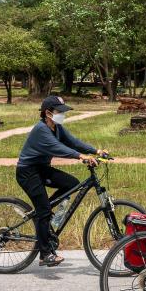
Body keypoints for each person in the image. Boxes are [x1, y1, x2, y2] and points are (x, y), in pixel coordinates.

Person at [16, 95, 106, 267]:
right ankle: (45, 255)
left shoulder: (57, 127)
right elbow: (58, 148)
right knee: (43, 211)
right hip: (28, 172)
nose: (62, 115)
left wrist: (97, 151)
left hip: (42, 169)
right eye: (60, 112)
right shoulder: (41, 129)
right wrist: (80, 157)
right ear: (48, 113)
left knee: (72, 184)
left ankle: (45, 210)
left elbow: (73, 142)